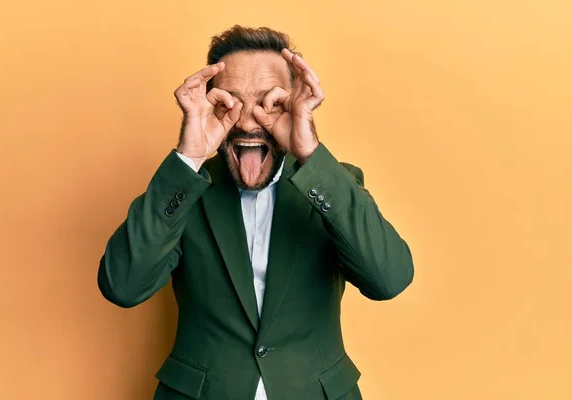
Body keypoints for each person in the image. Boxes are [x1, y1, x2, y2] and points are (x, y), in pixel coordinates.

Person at [97, 25, 414, 400]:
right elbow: (123, 285)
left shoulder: (332, 183)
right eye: (229, 103)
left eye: (270, 103)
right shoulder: (186, 189)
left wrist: (310, 151)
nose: (247, 122)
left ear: (295, 103)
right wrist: (189, 158)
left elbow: (390, 279)